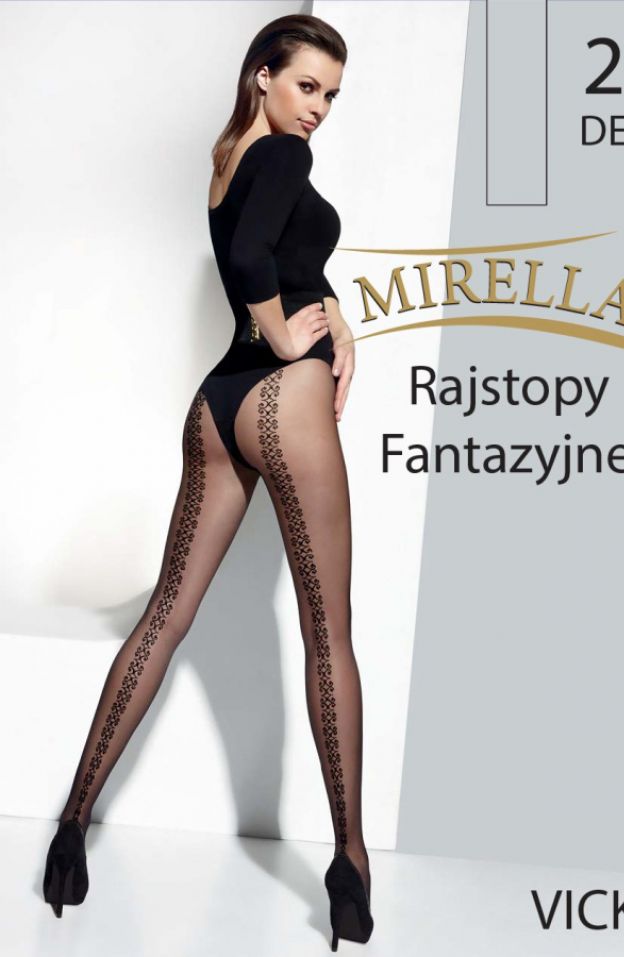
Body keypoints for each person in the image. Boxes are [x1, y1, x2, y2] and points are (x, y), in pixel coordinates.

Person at [42, 14, 373, 951]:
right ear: (263, 73)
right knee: (329, 633)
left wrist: (334, 312)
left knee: (164, 615)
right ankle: (350, 864)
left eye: (331, 95)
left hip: (216, 408)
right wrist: (291, 336)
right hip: (281, 399)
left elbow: (271, 251)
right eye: (307, 85)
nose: (319, 108)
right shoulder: (286, 157)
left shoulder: (229, 158)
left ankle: (70, 828)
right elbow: (253, 264)